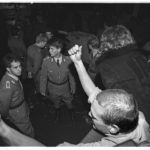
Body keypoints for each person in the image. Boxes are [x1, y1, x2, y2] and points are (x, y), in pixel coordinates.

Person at [0, 45, 150, 146]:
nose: (89, 113)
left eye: (95, 116)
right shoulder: (138, 117)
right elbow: (93, 91)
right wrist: (77, 63)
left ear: (113, 128)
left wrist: (4, 130)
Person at [93, 25, 150, 124]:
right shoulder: (140, 55)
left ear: (105, 43)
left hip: (136, 117)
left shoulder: (105, 65)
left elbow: (115, 98)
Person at [40, 38, 76, 121]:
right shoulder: (46, 61)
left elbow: (71, 76)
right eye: (49, 49)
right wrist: (42, 89)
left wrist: (73, 87)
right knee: (56, 102)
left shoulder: (68, 60)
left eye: (52, 49)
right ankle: (57, 112)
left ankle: (71, 112)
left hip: (65, 87)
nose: (49, 51)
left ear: (59, 49)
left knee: (69, 102)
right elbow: (43, 76)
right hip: (52, 88)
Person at [0, 53, 34, 137]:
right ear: (8, 69)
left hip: (22, 106)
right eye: (15, 67)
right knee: (27, 130)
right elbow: (4, 105)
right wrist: (6, 116)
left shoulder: (13, 76)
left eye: (20, 66)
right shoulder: (7, 86)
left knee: (26, 121)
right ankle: (32, 141)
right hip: (17, 112)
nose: (20, 69)